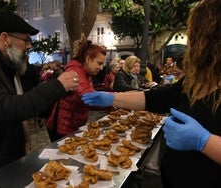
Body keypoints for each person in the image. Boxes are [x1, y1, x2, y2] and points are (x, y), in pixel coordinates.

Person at [82, 0, 221, 187]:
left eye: (194, 36)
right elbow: (153, 98)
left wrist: (204, 141)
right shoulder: (195, 81)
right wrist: (112, 97)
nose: (190, 43)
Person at [0, 12, 79, 182]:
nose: (29, 46)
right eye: (25, 40)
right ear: (5, 38)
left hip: (8, 160)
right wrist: (56, 86)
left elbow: (28, 104)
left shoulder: (10, 68)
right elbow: (1, 109)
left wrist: (62, 91)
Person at [46, 33, 106, 142]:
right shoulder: (75, 70)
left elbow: (88, 102)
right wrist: (116, 101)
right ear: (88, 59)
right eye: (99, 63)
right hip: (62, 127)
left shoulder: (86, 73)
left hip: (73, 125)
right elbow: (89, 96)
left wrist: (111, 105)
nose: (101, 68)